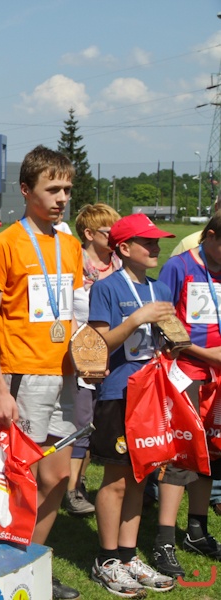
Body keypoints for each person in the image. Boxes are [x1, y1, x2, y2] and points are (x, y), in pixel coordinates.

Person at [0, 145, 83, 600]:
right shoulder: (4, 244)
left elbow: (76, 312)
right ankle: (2, 567)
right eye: (52, 189)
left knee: (59, 478)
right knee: (18, 483)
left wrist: (87, 359)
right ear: (26, 190)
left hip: (65, 376)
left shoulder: (72, 245)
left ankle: (33, 563)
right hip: (23, 375)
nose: (62, 199)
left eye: (67, 190)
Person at [87, 213, 177, 596]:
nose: (156, 248)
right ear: (123, 248)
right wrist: (138, 318)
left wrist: (173, 342)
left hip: (153, 394)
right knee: (117, 479)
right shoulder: (105, 288)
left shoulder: (160, 289)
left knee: (142, 477)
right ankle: (106, 560)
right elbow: (97, 344)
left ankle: (127, 555)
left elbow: (167, 342)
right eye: (148, 242)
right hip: (120, 394)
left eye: (157, 242)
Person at [150, 210, 221, 578]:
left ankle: (196, 530)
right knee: (180, 454)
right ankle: (164, 539)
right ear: (210, 236)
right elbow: (163, 320)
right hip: (187, 371)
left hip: (218, 375)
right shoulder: (179, 267)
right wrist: (202, 352)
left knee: (211, 452)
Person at [64, 203, 122, 517]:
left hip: (117, 355)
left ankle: (80, 480)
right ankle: (71, 489)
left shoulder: (121, 263)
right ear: (89, 234)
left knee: (101, 421)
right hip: (82, 355)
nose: (117, 237)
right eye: (109, 231)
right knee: (82, 420)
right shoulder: (74, 263)